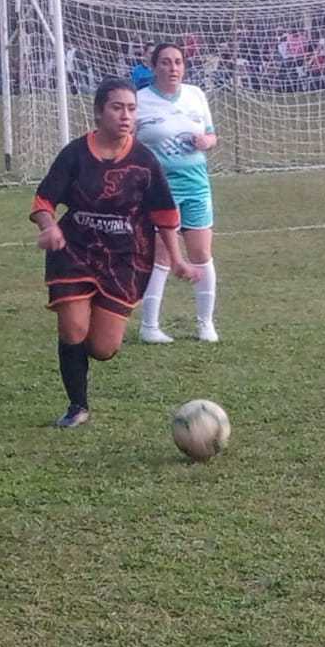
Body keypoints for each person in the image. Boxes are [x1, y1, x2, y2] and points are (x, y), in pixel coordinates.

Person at [31, 77, 199, 428]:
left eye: (132, 109)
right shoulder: (75, 153)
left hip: (125, 259)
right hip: (74, 251)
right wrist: (49, 226)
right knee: (73, 328)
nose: (126, 115)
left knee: (104, 348)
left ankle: (86, 345)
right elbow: (44, 199)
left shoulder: (144, 160)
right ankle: (77, 406)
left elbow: (165, 215)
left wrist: (179, 259)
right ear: (98, 111)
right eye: (117, 107)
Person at [134, 42, 221, 344]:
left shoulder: (196, 95)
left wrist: (206, 142)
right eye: (166, 62)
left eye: (178, 62)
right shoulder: (139, 100)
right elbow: (125, 142)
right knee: (161, 256)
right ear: (153, 66)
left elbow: (212, 134)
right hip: (158, 189)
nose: (173, 68)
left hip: (197, 184)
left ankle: (205, 324)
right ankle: (149, 326)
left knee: (201, 253)